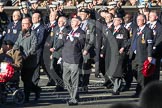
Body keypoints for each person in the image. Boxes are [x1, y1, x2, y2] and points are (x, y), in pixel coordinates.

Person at [13, 17, 39, 102]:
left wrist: (26, 55)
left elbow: (34, 47)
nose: (23, 25)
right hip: (21, 60)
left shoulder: (33, 34)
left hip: (30, 61)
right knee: (24, 79)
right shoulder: (21, 33)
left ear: (30, 25)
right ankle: (36, 90)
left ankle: (26, 97)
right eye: (22, 24)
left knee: (27, 79)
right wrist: (12, 51)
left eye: (25, 24)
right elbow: (17, 43)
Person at [62, 16, 85, 106]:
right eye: (71, 21)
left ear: (79, 23)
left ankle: (74, 98)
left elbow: (81, 45)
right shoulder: (69, 31)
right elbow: (65, 45)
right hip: (66, 58)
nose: (71, 22)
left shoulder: (81, 32)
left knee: (74, 80)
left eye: (74, 21)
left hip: (74, 59)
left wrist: (73, 40)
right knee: (65, 79)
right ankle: (74, 95)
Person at [129, 14, 153, 98]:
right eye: (137, 19)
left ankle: (140, 92)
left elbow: (149, 44)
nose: (138, 21)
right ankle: (143, 88)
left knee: (140, 74)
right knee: (133, 71)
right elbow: (132, 41)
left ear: (144, 21)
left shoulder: (148, 31)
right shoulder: (136, 29)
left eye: (140, 19)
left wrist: (149, 55)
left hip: (142, 55)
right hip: (134, 55)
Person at [49, 16, 69, 91]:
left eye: (61, 21)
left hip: (61, 52)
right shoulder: (56, 29)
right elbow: (54, 41)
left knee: (60, 69)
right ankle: (59, 83)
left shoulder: (65, 30)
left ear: (64, 23)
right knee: (52, 68)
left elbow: (61, 41)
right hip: (55, 52)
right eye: (58, 21)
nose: (59, 22)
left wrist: (54, 48)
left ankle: (60, 85)